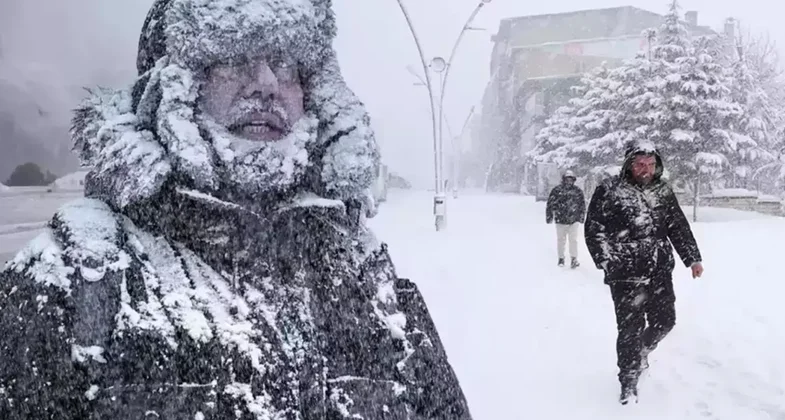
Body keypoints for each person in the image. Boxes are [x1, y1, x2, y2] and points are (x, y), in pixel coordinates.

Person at [0, 0, 473, 418]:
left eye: (286, 62)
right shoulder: (73, 279)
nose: (267, 83)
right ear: (171, 87)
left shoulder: (363, 271)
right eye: (232, 58)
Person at [584, 140, 703, 405]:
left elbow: (678, 226)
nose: (646, 169)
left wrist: (692, 258)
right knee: (630, 330)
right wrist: (607, 261)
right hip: (626, 274)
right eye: (640, 164)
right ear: (629, 164)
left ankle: (642, 351)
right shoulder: (610, 190)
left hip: (659, 270)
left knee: (665, 321)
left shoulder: (662, 190)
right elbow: (594, 229)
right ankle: (628, 381)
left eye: (650, 164)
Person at [545, 170, 586, 268]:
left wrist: (581, 217)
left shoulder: (577, 191)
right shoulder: (557, 190)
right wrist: (549, 216)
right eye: (567, 179)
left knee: (573, 240)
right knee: (561, 240)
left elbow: (582, 205)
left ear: (573, 180)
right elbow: (550, 204)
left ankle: (574, 258)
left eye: (571, 179)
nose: (569, 181)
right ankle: (561, 258)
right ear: (564, 179)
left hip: (573, 220)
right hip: (561, 220)